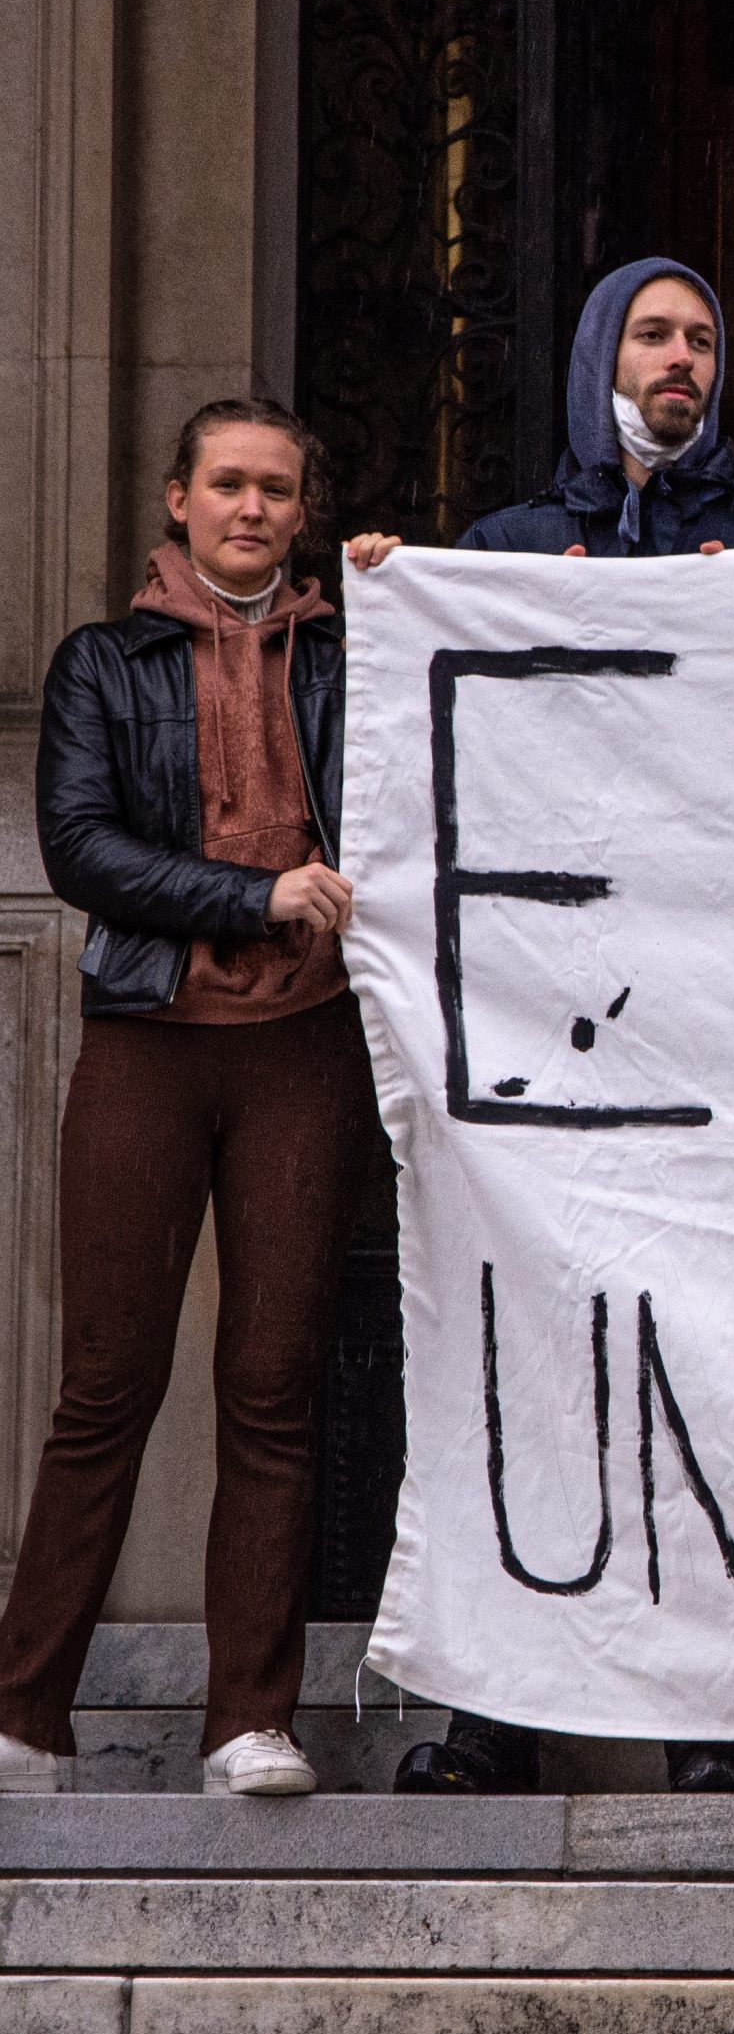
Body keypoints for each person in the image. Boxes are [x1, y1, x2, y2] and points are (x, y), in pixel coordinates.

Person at [355, 256, 734, 1799]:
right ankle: (498, 1714)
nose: (678, 359)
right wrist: (390, 592)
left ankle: (707, 1719)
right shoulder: (495, 550)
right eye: (652, 333)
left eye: (701, 336)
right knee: (527, 1359)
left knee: (704, 1369)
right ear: (596, 353)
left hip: (711, 1031)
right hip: (541, 1033)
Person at [0, 400, 374, 1799]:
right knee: (105, 1382)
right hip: (151, 1038)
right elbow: (83, 846)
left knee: (272, 1389)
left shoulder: (354, 651)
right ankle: (27, 1716)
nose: (253, 509)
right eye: (228, 483)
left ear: (302, 510)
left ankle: (247, 1722)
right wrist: (253, 894)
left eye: (279, 488)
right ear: (177, 500)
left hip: (305, 1046)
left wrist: (401, 595)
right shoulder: (103, 660)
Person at [461, 256, 734, 559]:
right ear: (602, 359)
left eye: (700, 342)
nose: (683, 358)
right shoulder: (509, 548)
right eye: (653, 335)